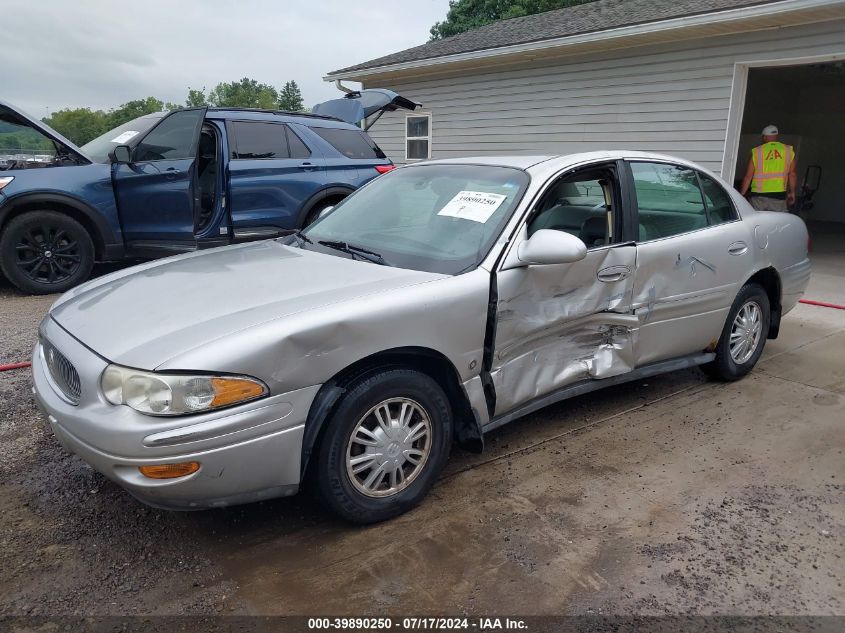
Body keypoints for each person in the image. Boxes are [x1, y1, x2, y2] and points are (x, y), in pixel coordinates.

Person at [740, 124, 797, 212]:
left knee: (758, 223)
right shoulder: (788, 150)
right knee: (777, 224)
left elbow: (748, 177)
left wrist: (742, 194)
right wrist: (792, 192)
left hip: (758, 197)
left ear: (764, 137)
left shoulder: (757, 151)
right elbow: (792, 174)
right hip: (779, 196)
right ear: (776, 136)